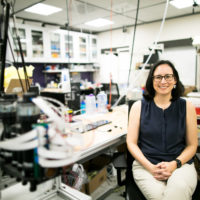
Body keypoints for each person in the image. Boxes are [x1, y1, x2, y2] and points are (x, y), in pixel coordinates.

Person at [126, 60, 198, 200]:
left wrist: (174, 164)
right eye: (158, 77)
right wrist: (150, 167)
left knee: (179, 189)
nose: (163, 81)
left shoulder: (187, 107)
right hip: (146, 166)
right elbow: (131, 143)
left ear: (175, 79)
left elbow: (192, 145)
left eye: (168, 76)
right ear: (151, 80)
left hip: (180, 165)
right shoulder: (138, 107)